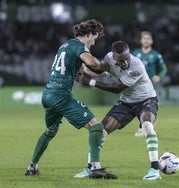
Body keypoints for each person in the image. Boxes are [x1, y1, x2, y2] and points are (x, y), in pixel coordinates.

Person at [25, 19, 117, 179]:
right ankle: (95, 168)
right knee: (97, 127)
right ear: (88, 34)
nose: (94, 42)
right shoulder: (79, 46)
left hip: (48, 94)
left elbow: (87, 70)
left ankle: (32, 167)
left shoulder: (65, 46)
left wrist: (108, 73)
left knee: (50, 131)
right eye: (94, 38)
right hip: (61, 95)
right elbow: (91, 61)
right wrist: (105, 65)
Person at [74, 41, 161, 180]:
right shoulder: (109, 57)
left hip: (146, 100)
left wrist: (90, 82)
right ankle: (91, 167)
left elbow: (117, 88)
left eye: (127, 58)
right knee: (100, 131)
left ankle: (155, 169)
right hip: (126, 102)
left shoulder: (137, 65)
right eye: (121, 60)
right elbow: (102, 69)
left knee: (147, 126)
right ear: (114, 57)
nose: (125, 62)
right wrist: (85, 67)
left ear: (129, 53)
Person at [132, 31, 167, 137]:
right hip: (136, 83)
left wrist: (159, 76)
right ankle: (147, 124)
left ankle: (143, 127)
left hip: (150, 84)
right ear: (141, 40)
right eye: (144, 38)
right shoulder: (135, 53)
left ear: (151, 41)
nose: (146, 40)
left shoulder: (156, 55)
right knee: (138, 104)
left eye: (148, 38)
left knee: (147, 103)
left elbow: (164, 68)